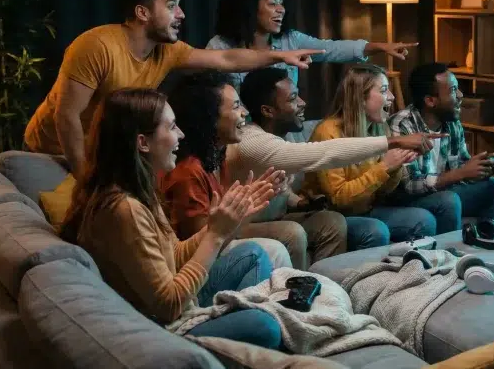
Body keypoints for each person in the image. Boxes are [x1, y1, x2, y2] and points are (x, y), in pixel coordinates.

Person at [23, 0, 322, 174]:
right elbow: (67, 117)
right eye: (171, 6)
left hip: (101, 154)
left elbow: (228, 58)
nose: (181, 14)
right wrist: (85, 179)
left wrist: (280, 55)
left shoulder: (167, 51)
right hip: (52, 154)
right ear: (142, 13)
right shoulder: (96, 46)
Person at [60, 88, 282, 348]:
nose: (181, 134)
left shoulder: (139, 190)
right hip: (160, 330)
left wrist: (227, 219)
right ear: (142, 142)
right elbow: (169, 305)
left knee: (253, 254)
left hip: (178, 306)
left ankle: (242, 322)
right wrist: (215, 235)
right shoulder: (123, 209)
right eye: (173, 126)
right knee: (266, 326)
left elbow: (174, 256)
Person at [227, 67, 443, 252]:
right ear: (267, 111)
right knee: (314, 228)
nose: (303, 103)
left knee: (333, 222)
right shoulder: (255, 141)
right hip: (244, 224)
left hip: (298, 214)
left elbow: (281, 186)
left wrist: (299, 202)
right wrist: (392, 146)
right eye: (293, 99)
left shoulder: (285, 135)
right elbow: (323, 154)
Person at [161, 71, 346, 270]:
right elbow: (203, 246)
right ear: (210, 117)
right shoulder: (188, 171)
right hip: (200, 265)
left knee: (332, 222)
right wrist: (246, 206)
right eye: (235, 106)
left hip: (225, 236)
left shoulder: (216, 154)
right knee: (287, 237)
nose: (245, 112)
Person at [206, 0, 416, 89]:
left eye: (282, 3)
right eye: (272, 4)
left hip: (280, 131)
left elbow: (331, 49)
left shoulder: (291, 40)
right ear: (249, 7)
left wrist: (380, 46)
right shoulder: (219, 46)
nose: (281, 9)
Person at [302, 64, 436, 242]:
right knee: (375, 230)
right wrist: (384, 167)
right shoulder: (328, 133)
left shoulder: (379, 127)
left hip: (367, 208)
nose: (392, 96)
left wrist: (396, 166)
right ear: (360, 98)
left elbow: (383, 192)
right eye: (384, 90)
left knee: (424, 220)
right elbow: (339, 199)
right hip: (332, 216)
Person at [387, 63, 494, 233]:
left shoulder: (451, 122)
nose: (460, 95)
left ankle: (487, 244)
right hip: (410, 200)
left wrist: (484, 168)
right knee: (449, 200)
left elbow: (461, 166)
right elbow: (409, 185)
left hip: (444, 191)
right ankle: (450, 256)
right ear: (430, 100)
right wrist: (460, 173)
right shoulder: (402, 125)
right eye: (453, 90)